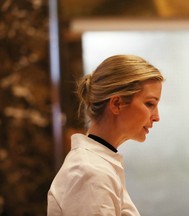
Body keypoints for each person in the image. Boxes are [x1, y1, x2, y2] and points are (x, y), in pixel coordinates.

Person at [47, 54, 164, 216]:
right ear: (117, 104)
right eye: (150, 104)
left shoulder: (98, 164)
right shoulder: (90, 172)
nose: (157, 117)